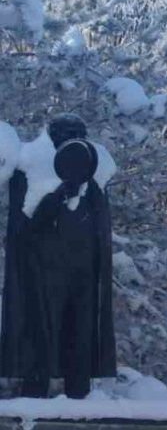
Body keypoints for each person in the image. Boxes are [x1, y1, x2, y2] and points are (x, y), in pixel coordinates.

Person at [0, 114, 116, 398]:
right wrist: (59, 196)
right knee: (38, 337)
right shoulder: (30, 168)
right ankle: (33, 399)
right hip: (41, 273)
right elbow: (21, 231)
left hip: (83, 273)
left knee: (81, 339)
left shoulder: (93, 171)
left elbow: (100, 228)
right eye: (65, 135)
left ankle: (79, 400)